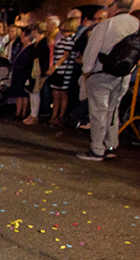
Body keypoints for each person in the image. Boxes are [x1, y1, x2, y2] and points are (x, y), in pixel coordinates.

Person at [77, 0, 140, 161]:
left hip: (102, 73)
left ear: (115, 7)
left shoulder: (107, 25)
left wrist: (87, 71)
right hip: (124, 74)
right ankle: (111, 145)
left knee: (98, 111)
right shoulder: (137, 25)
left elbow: (92, 49)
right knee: (113, 111)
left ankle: (97, 148)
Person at [47, 17, 78, 126]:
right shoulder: (64, 39)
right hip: (59, 69)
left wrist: (54, 67)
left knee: (62, 93)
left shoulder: (70, 40)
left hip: (64, 70)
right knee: (56, 93)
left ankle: (59, 117)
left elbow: (65, 56)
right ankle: (54, 116)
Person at [23, 22, 49, 125]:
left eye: (34, 31)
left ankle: (34, 115)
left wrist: (43, 74)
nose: (33, 33)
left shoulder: (43, 45)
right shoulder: (35, 44)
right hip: (31, 71)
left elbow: (44, 61)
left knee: (35, 93)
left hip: (37, 71)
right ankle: (32, 114)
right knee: (31, 93)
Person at [9, 27, 34, 120]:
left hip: (24, 72)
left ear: (28, 37)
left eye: (23, 36)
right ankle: (18, 111)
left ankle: (24, 112)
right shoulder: (20, 47)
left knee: (24, 93)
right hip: (17, 72)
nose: (21, 38)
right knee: (17, 93)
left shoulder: (30, 48)